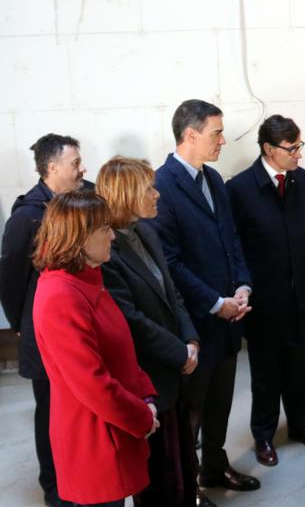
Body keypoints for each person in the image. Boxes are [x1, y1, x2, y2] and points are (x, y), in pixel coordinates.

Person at [148, 99, 259, 505]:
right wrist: (215, 302)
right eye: (216, 132)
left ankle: (215, 464)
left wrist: (243, 285)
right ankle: (188, 485)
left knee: (220, 404)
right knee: (190, 412)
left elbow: (231, 239)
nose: (223, 140)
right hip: (196, 322)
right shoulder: (161, 186)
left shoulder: (212, 180)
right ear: (190, 135)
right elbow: (170, 263)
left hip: (229, 317)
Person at [32, 190, 160, 507]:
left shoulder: (88, 277)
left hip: (113, 424)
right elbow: (92, 383)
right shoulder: (61, 295)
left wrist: (146, 395)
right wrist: (142, 417)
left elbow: (122, 346)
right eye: (104, 229)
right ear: (79, 237)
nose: (112, 236)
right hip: (93, 437)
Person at [97, 157, 201, 506]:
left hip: (174, 368)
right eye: (149, 189)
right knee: (159, 477)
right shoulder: (106, 252)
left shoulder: (146, 231)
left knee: (184, 463)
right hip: (147, 375)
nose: (157, 195)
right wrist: (178, 354)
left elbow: (172, 294)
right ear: (126, 195)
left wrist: (190, 340)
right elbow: (132, 321)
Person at [227, 115, 305, 468]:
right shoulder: (239, 188)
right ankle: (264, 435)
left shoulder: (303, 180)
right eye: (292, 148)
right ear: (269, 149)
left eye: (300, 145)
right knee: (266, 374)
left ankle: (299, 425)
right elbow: (234, 245)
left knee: (299, 367)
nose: (299, 153)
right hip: (264, 296)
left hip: (299, 288)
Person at [0, 133, 87, 507]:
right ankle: (54, 487)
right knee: (51, 411)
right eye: (75, 163)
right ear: (52, 168)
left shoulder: (78, 202)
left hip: (76, 325)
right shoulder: (28, 216)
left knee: (77, 409)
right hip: (42, 332)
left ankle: (78, 475)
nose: (82, 168)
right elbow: (11, 277)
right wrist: (22, 321)